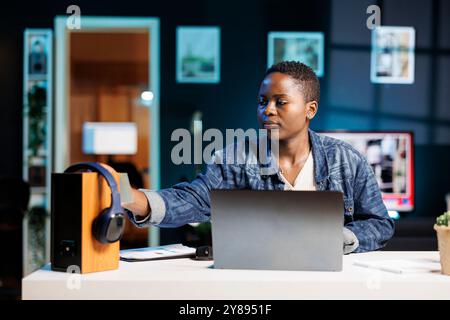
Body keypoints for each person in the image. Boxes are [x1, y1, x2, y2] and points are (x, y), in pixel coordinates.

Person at [117, 61, 394, 254]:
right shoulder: (235, 158)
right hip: (256, 279)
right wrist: (130, 195)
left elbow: (379, 223)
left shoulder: (348, 161)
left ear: (310, 109)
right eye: (263, 101)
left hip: (329, 281)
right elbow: (194, 199)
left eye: (280, 102)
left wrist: (341, 239)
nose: (268, 111)